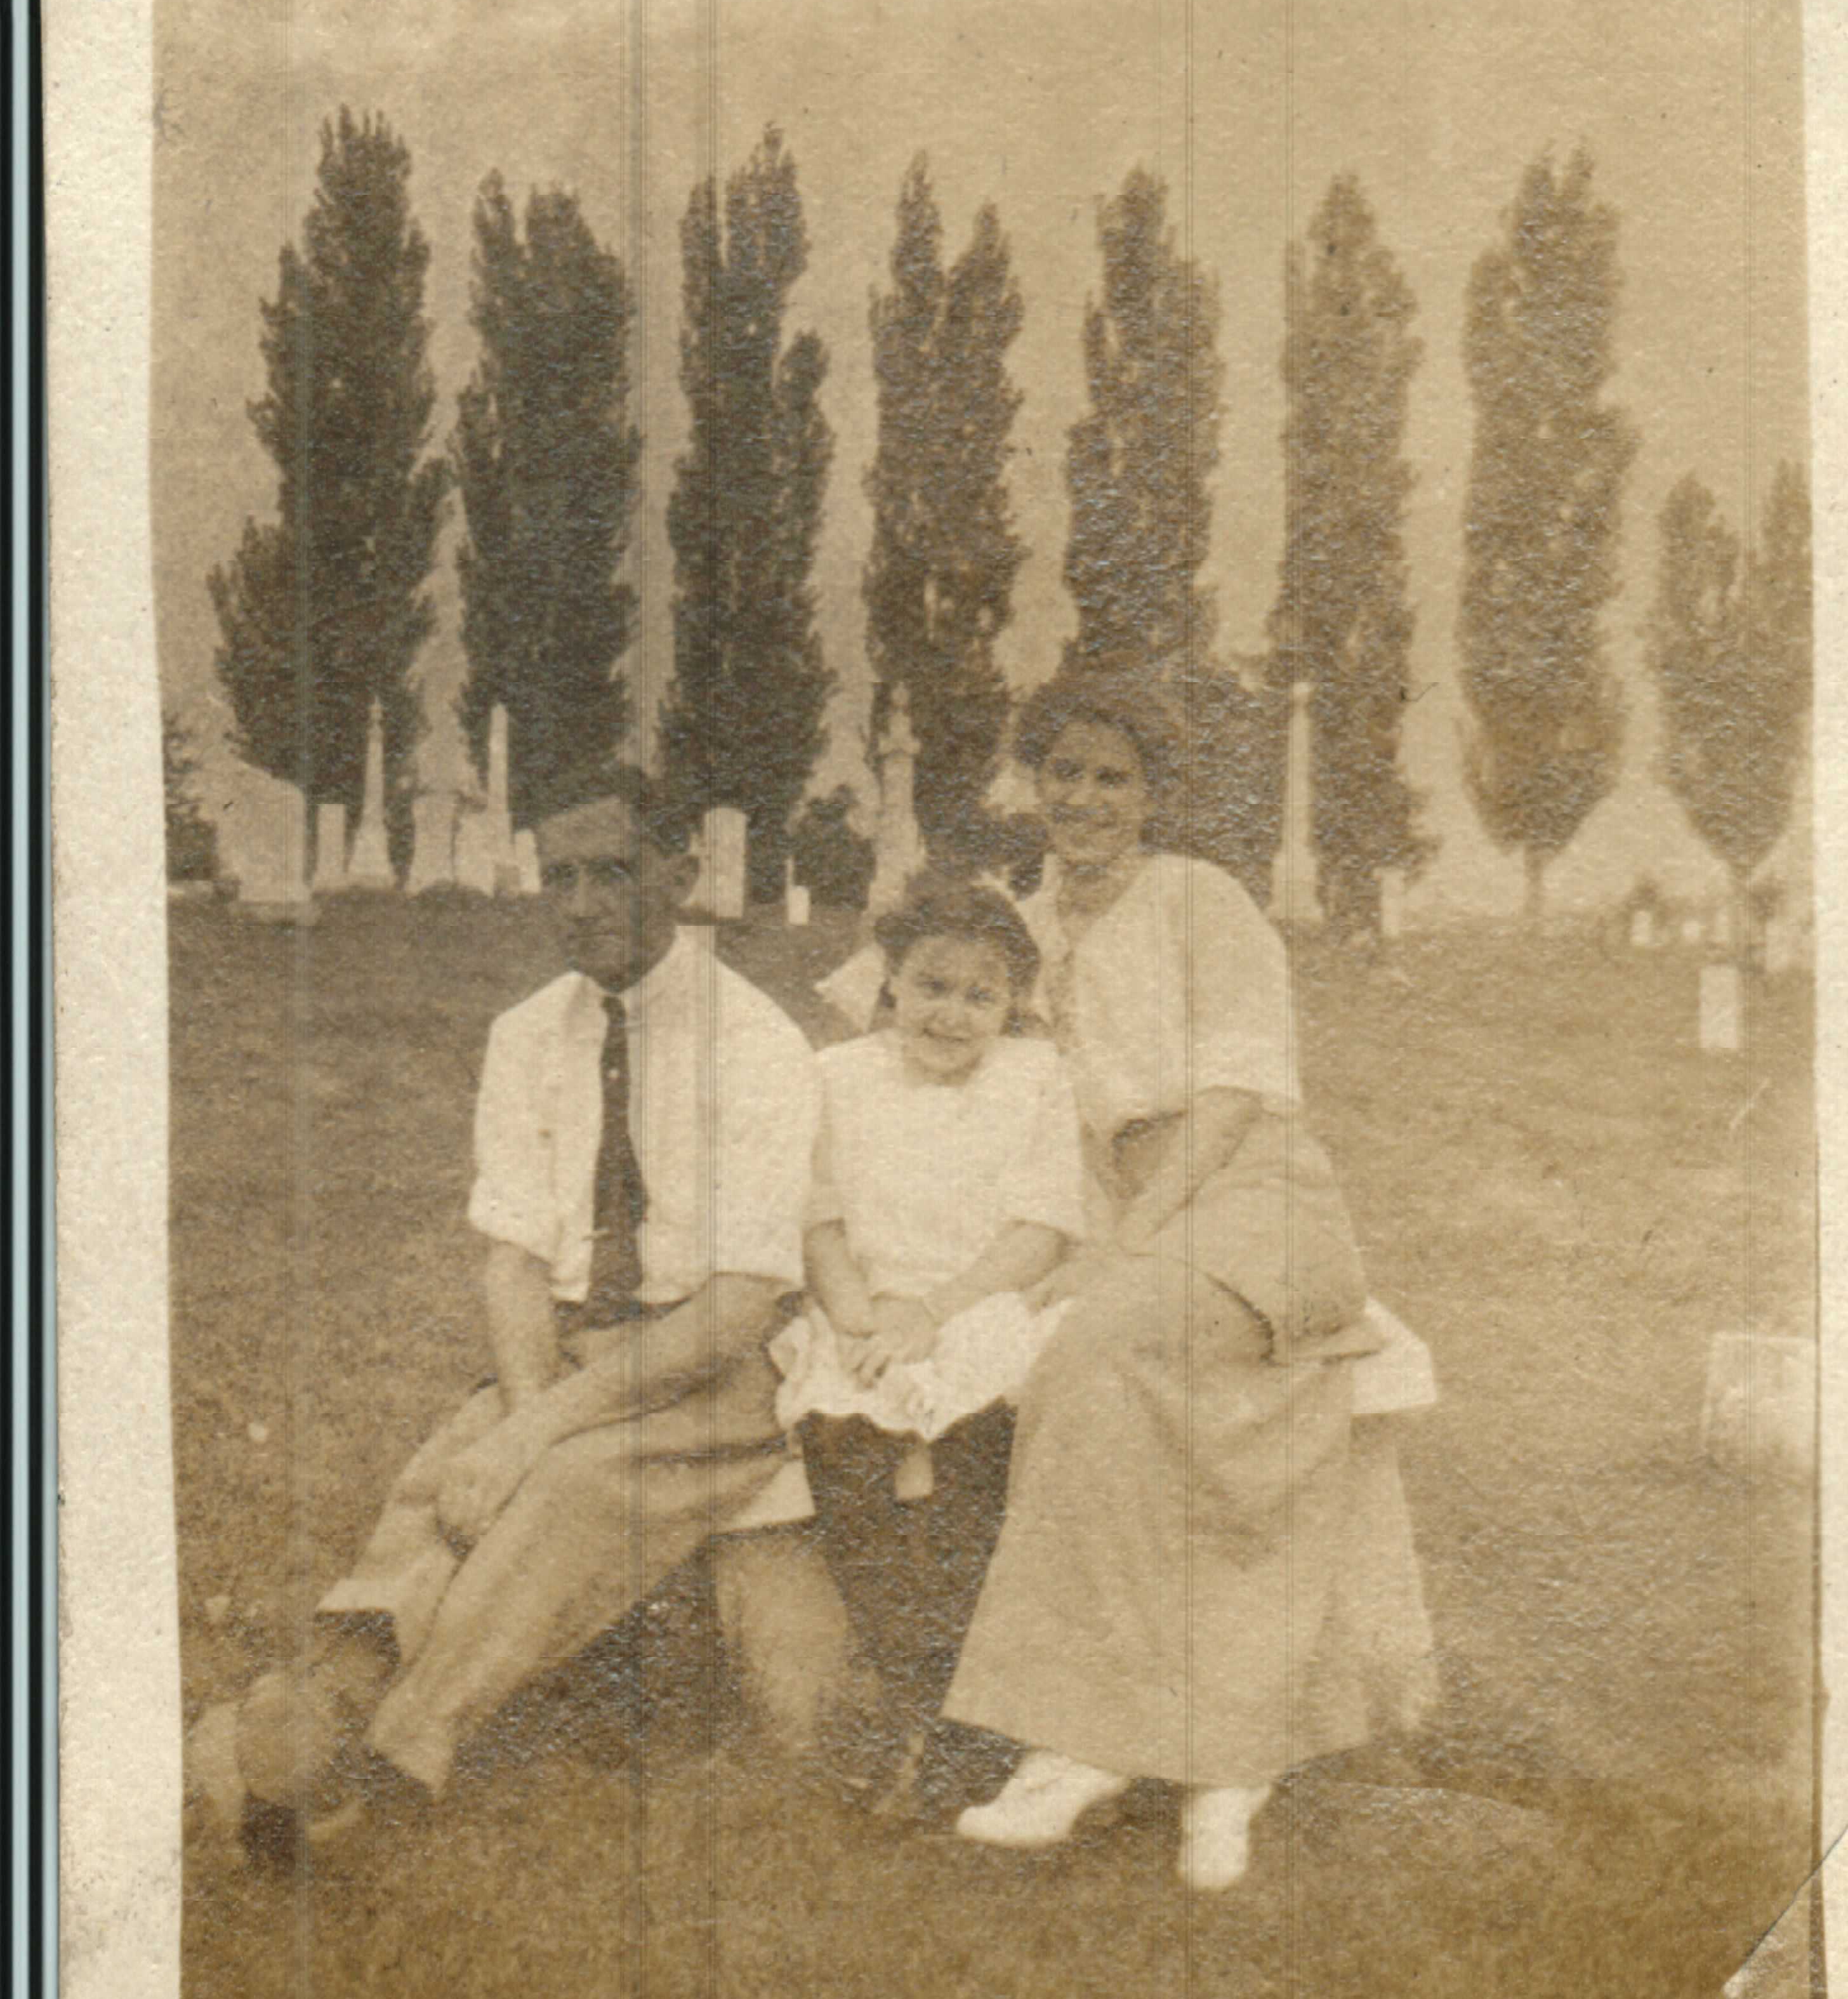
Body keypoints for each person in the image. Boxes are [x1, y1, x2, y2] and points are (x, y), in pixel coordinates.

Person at [223, 759, 831, 1856]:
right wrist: (520, 1409)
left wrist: (536, 1433)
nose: (583, 904)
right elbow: (513, 1259)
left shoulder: (756, 1042)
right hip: (570, 1350)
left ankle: (396, 1756)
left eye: (615, 873)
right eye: (563, 877)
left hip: (715, 1371)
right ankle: (325, 1697)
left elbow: (741, 1306)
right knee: (447, 1482)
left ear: (682, 874)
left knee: (567, 1486)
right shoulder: (527, 1032)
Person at [947, 671, 1437, 1892]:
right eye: (1065, 772)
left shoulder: (1198, 899)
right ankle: (1178, 1750)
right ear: (1033, 779)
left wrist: (1133, 1242)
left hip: (1255, 1199)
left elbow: (1232, 1100)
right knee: (1099, 1360)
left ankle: (1101, 1747)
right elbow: (905, 1013)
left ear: (1156, 794)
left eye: (1114, 778)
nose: (1085, 799)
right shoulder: (1019, 919)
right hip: (1121, 1213)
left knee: (1099, 1353)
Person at [774, 873, 1087, 1791]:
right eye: (932, 987)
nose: (952, 1014)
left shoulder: (1034, 1077)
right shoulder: (837, 1076)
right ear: (891, 984)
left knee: (974, 1453)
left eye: (981, 996)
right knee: (843, 1439)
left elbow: (1040, 1230)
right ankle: (910, 1693)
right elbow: (818, 1220)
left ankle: (970, 1710)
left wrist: (935, 1315)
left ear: (1013, 1005)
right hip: (862, 1306)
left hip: (977, 1304)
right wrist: (856, 1318)